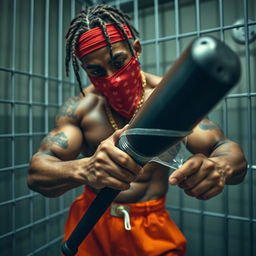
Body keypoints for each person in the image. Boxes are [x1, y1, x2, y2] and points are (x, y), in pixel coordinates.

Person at [27, 4, 247, 256]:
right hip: (90, 221)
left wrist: (218, 168)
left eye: (118, 61)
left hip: (150, 223)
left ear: (136, 49)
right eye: (96, 71)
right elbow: (36, 174)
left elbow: (227, 151)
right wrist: (84, 169)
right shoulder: (81, 107)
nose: (112, 77)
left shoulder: (171, 99)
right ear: (85, 69)